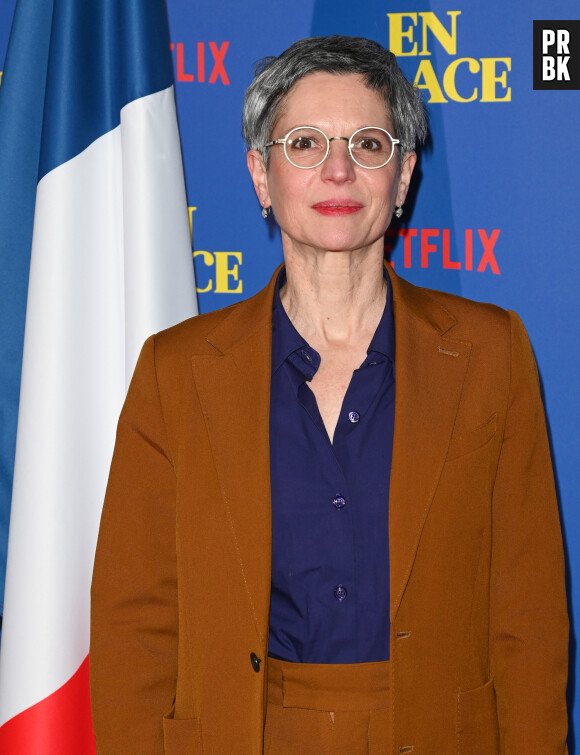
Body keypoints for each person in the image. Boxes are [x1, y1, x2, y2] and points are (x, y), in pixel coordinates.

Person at [90, 35, 569, 753]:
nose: (338, 168)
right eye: (305, 142)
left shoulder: (490, 353)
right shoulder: (177, 370)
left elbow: (528, 620)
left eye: (368, 144)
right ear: (260, 174)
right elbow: (136, 625)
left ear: (403, 177)